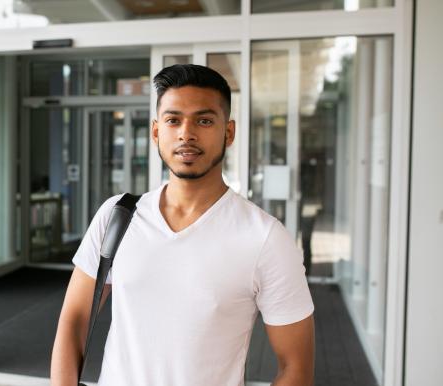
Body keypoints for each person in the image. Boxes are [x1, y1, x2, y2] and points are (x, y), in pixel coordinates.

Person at [50, 64, 315, 386]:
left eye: (204, 120)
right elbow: (74, 321)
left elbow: (296, 368)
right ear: (156, 131)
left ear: (228, 133)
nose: (186, 133)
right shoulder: (117, 216)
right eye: (173, 120)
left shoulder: (265, 238)